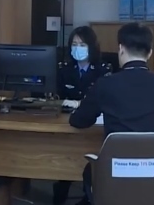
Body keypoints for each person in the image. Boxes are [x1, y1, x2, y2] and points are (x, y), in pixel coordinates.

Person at [68, 22, 154, 203]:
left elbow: (78, 121)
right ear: (150, 53)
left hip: (115, 174)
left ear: (121, 49)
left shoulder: (105, 85)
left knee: (89, 171)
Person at [53, 26, 109, 205]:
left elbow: (105, 99)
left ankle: (88, 196)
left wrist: (79, 104)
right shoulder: (64, 69)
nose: (78, 48)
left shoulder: (103, 70)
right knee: (63, 162)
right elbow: (55, 96)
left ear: (91, 47)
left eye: (82, 44)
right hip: (67, 124)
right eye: (74, 44)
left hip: (93, 126)